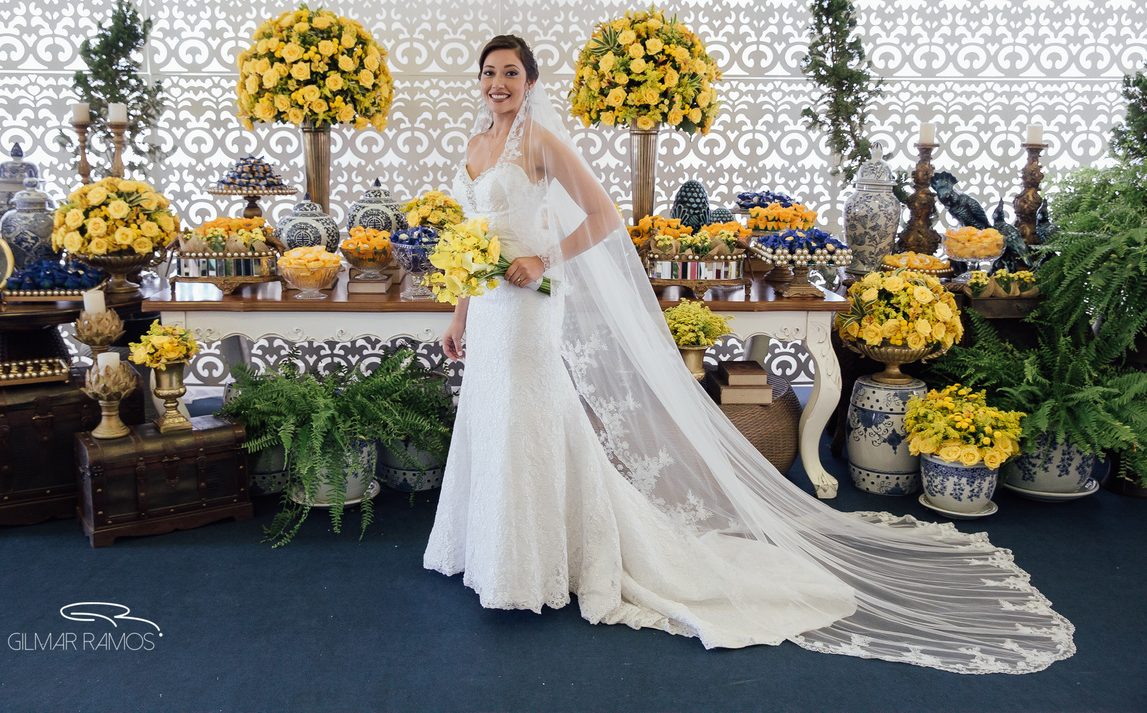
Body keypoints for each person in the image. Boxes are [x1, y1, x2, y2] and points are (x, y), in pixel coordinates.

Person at [423, 34, 1075, 673]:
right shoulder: (476, 146)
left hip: (534, 304)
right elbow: (468, 242)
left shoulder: (539, 143)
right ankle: (493, 551)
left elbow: (602, 217)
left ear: (531, 82)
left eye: (510, 72)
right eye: (488, 73)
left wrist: (545, 258)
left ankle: (543, 558)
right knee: (492, 417)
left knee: (530, 417)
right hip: (488, 307)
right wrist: (459, 314)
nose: (498, 84)